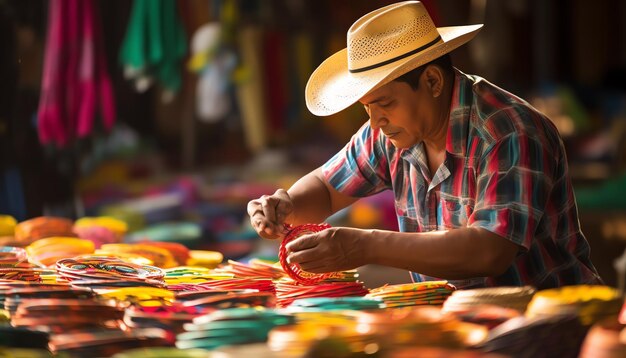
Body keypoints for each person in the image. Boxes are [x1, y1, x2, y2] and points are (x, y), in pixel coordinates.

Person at [247, 1, 602, 289]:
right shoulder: (389, 129)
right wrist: (286, 204)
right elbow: (326, 189)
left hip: (548, 325)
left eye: (383, 103)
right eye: (367, 108)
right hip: (454, 323)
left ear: (432, 80)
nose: (374, 121)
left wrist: (363, 244)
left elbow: (490, 251)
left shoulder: (508, 131)